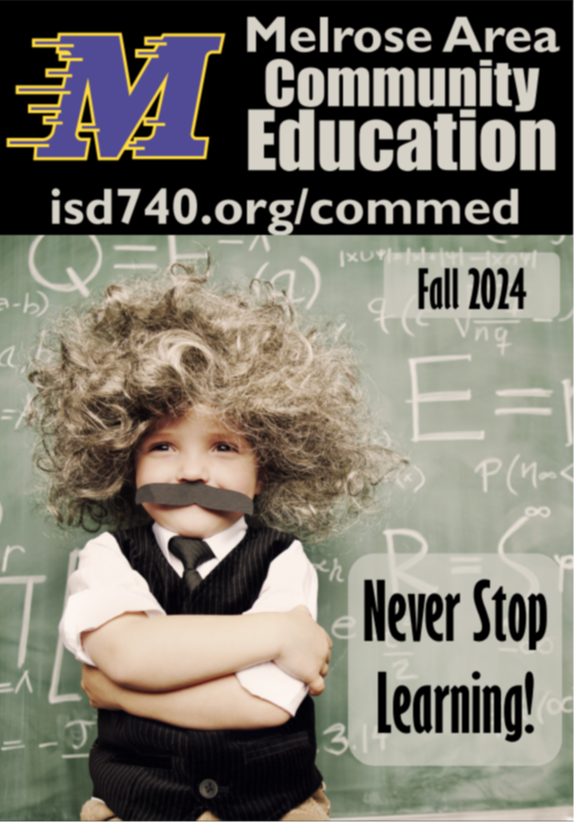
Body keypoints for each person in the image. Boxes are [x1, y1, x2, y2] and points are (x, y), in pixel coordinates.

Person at [28, 265, 399, 822]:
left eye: (224, 447)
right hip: (136, 805)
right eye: (163, 447)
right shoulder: (106, 556)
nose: (193, 470)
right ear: (124, 463)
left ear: (264, 472)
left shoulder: (282, 558)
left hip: (274, 804)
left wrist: (124, 693)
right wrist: (276, 633)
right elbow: (128, 653)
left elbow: (265, 704)